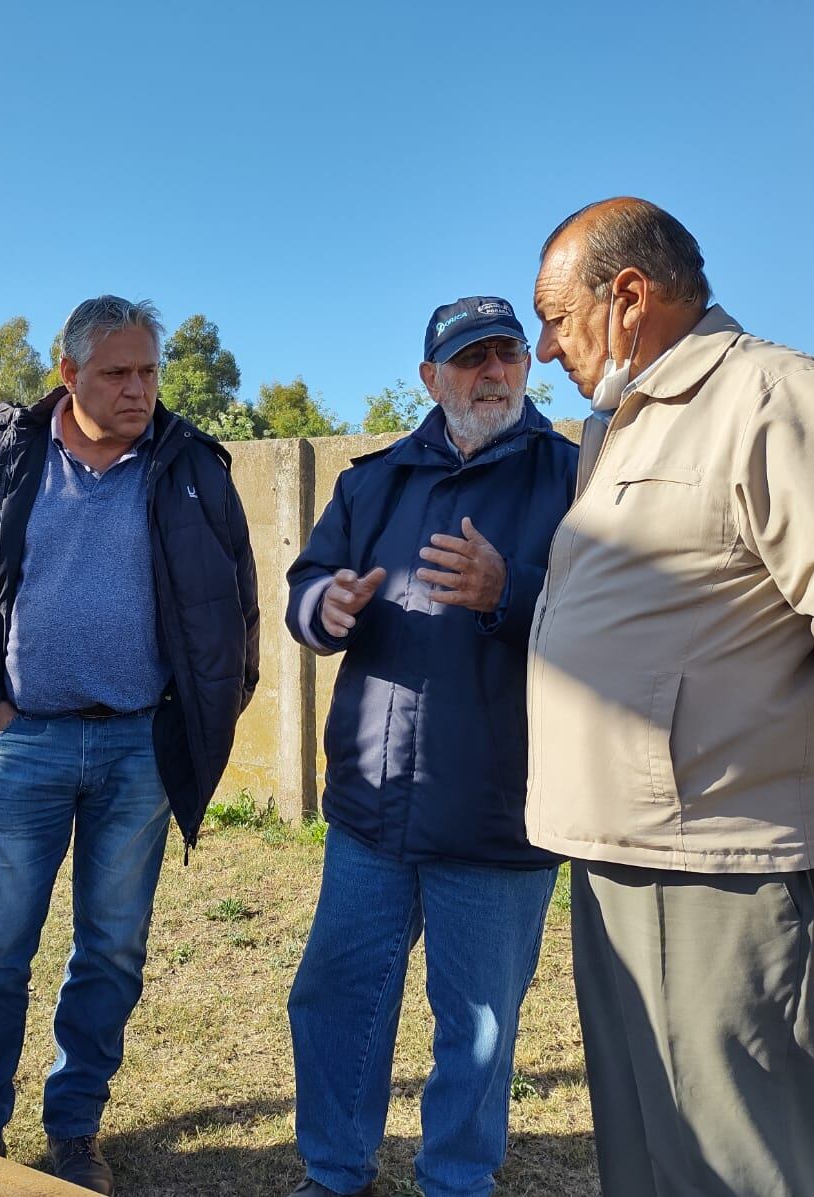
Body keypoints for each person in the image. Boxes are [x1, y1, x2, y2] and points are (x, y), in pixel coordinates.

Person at [525, 197, 814, 1195]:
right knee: (643, 1150)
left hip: (717, 846)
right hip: (625, 843)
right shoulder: (621, 429)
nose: (547, 348)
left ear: (627, 295)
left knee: (723, 1162)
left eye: (555, 316)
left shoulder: (774, 396)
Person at [0, 294, 259, 1193]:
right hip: (21, 743)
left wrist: (210, 708)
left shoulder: (190, 467)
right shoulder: (2, 457)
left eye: (148, 371)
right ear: (67, 375)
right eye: (117, 372)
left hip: (140, 750)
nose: (138, 389)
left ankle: (74, 1128)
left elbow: (237, 608)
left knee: (111, 950)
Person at [282, 297, 578, 1197]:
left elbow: (615, 622)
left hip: (501, 813)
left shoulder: (574, 478)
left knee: (479, 1026)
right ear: (430, 377)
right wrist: (323, 607)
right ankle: (334, 1173)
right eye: (471, 358)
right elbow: (306, 580)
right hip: (372, 810)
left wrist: (509, 589)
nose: (493, 373)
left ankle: (456, 1181)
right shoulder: (371, 483)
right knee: (336, 999)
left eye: (508, 355)